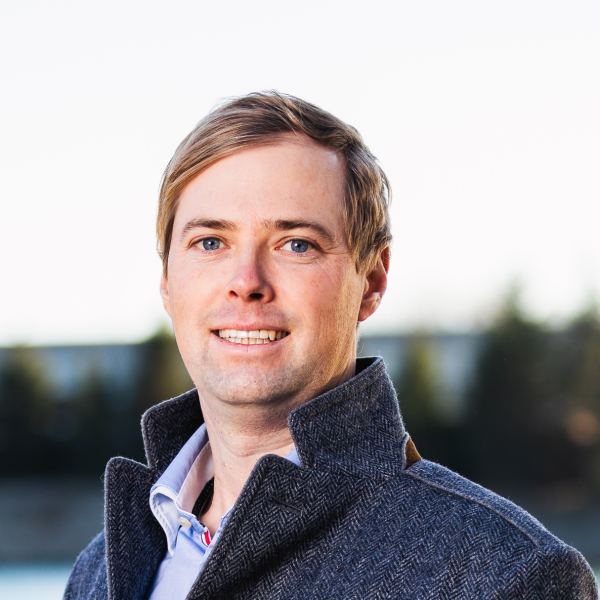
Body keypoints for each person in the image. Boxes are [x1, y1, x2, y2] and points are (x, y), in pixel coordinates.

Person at [64, 91, 598, 600]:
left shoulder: (505, 575)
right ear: (166, 280)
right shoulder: (100, 572)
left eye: (296, 244)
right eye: (210, 242)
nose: (246, 281)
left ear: (372, 281)